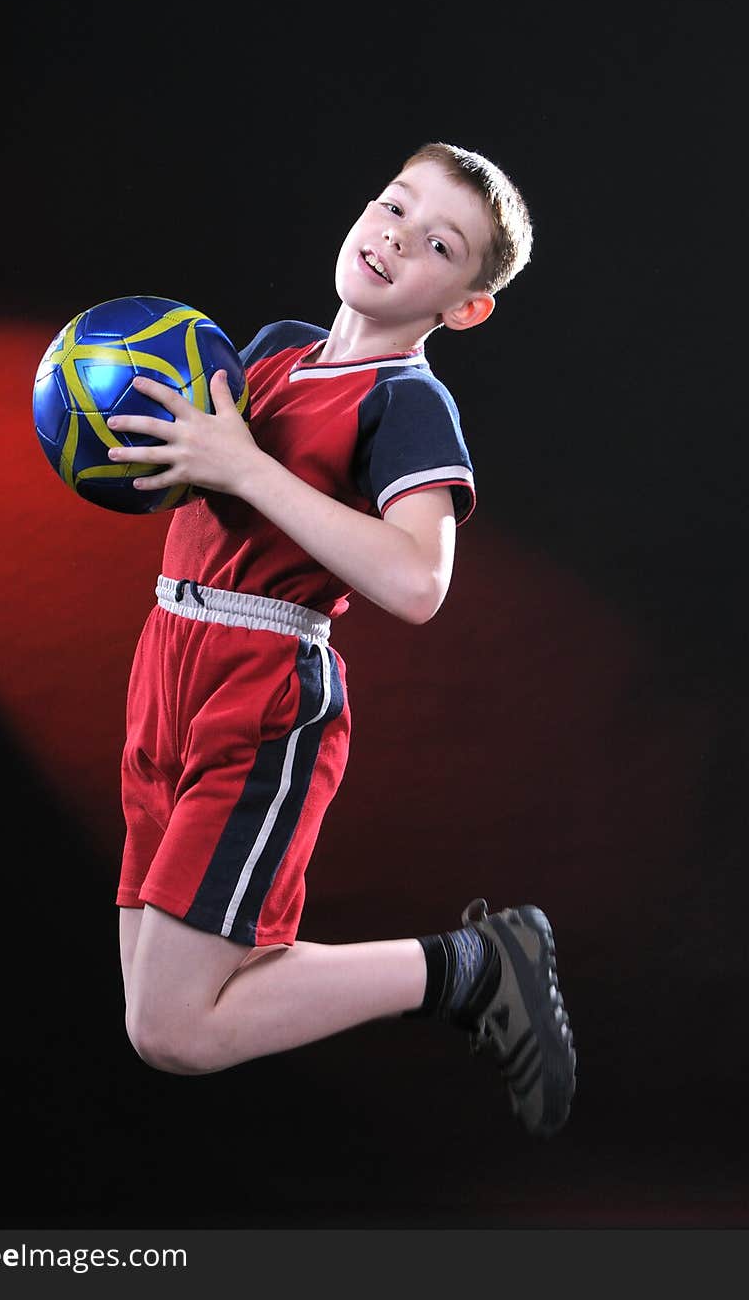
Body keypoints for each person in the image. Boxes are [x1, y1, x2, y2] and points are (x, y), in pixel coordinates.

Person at [109, 140, 576, 1138]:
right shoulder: (272, 349)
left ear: (464, 307)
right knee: (155, 1018)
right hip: (167, 668)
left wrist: (239, 466)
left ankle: (473, 966)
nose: (395, 238)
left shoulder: (407, 403)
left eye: (438, 243)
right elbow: (213, 490)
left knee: (180, 1028)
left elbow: (417, 582)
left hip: (262, 691)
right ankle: (471, 966)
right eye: (392, 206)